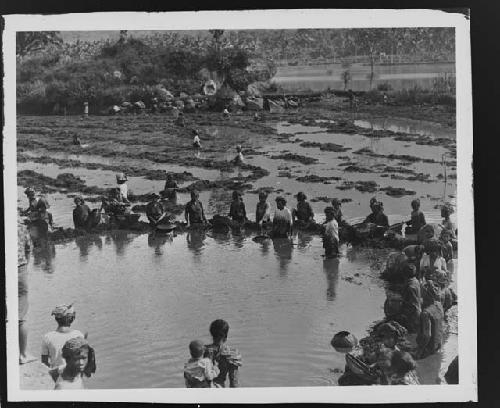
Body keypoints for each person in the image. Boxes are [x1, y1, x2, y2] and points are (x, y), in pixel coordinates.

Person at [41, 304, 85, 370]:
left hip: (57, 376)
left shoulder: (47, 337)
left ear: (56, 319)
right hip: (74, 375)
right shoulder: (79, 335)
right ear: (71, 318)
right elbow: (82, 360)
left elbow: (44, 363)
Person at [18, 219, 36, 364]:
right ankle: (22, 355)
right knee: (21, 315)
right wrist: (26, 264)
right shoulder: (21, 226)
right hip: (20, 268)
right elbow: (29, 248)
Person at [204, 319, 242, 387]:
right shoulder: (232, 354)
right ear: (226, 336)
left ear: (211, 334)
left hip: (204, 390)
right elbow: (234, 383)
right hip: (220, 390)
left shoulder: (202, 351)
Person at [416, 279, 444, 359]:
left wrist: (420, 351)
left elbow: (427, 335)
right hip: (438, 345)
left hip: (429, 349)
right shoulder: (439, 305)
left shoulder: (425, 313)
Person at [400, 263, 422, 333]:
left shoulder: (410, 287)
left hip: (413, 316)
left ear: (404, 275)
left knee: (411, 333)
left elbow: (411, 305)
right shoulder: (416, 281)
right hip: (417, 310)